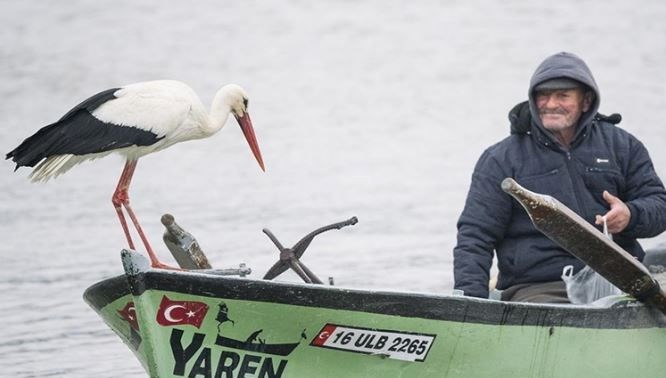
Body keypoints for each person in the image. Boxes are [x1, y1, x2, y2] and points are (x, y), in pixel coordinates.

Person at [453, 51, 666, 303]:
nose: (551, 104)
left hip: (621, 284)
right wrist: (469, 304)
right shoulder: (500, 159)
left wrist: (631, 215)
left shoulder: (623, 146)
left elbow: (659, 206)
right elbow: (475, 236)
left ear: (586, 101)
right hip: (538, 288)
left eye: (562, 95)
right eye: (543, 95)